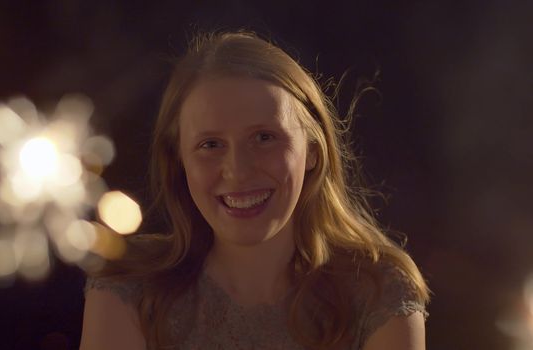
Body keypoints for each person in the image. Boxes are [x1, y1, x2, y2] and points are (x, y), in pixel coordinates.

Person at [80, 31, 430, 350]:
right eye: (211, 144)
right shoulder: (129, 289)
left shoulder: (378, 292)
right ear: (179, 160)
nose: (238, 171)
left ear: (312, 150)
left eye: (264, 137)